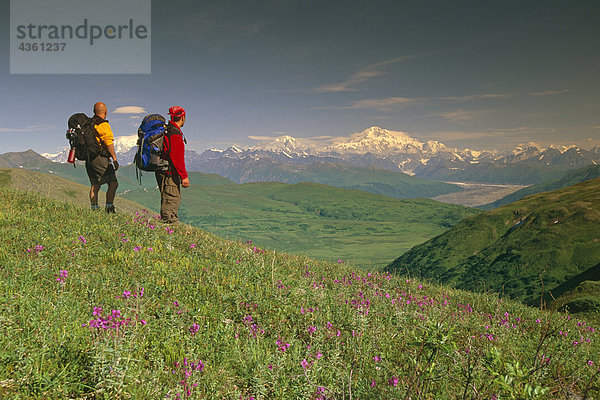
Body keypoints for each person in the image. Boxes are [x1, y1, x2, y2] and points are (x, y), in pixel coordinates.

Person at [155, 106, 190, 223]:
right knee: (171, 200)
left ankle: (168, 227)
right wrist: (184, 176)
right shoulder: (175, 134)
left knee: (167, 198)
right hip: (169, 173)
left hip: (162, 171)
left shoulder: (167, 130)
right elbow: (177, 157)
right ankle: (169, 229)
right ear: (183, 118)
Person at [86, 102, 119, 213]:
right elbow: (108, 141)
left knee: (95, 185)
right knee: (113, 183)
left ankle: (94, 209)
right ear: (105, 112)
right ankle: (109, 208)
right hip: (100, 158)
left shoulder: (89, 123)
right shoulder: (102, 124)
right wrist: (114, 158)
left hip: (89, 158)